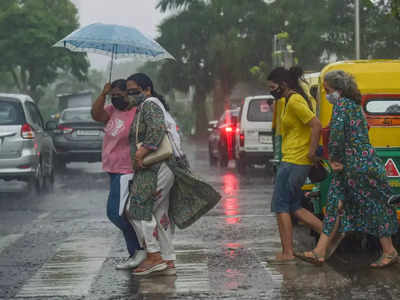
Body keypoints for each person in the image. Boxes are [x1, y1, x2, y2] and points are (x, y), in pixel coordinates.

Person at [296, 70, 399, 268]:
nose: (327, 94)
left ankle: (389, 251)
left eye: (328, 90)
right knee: (335, 205)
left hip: (355, 167)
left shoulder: (342, 106)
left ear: (338, 89)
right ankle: (319, 252)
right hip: (360, 164)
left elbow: (336, 137)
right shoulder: (355, 106)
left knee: (374, 207)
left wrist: (334, 159)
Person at [267, 67, 324, 263]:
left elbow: (316, 124)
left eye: (273, 87)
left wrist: (311, 152)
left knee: (281, 205)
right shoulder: (288, 100)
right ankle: (328, 236)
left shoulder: (295, 101)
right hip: (292, 160)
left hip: (295, 160)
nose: (271, 91)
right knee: (293, 206)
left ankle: (287, 252)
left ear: (283, 85)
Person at [124, 73, 178, 276]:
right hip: (160, 167)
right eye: (128, 92)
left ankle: (154, 255)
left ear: (147, 89)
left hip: (156, 167)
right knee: (159, 213)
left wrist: (141, 151)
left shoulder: (149, 104)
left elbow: (156, 130)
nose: (130, 95)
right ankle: (167, 259)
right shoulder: (145, 106)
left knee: (136, 208)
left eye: (134, 91)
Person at [91, 79, 145, 270]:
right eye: (112, 95)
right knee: (122, 214)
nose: (115, 99)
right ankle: (137, 252)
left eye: (118, 95)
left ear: (127, 94)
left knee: (116, 213)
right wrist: (103, 93)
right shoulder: (111, 111)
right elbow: (95, 115)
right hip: (112, 169)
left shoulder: (136, 113)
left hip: (126, 170)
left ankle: (140, 250)